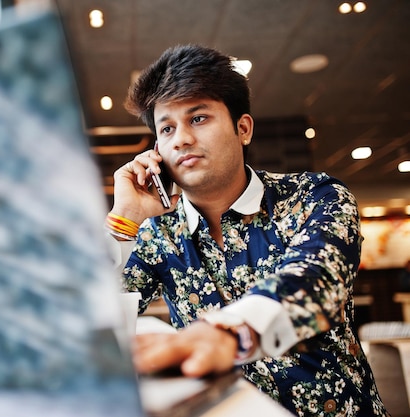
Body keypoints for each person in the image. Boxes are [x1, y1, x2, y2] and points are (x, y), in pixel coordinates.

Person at [104, 44, 388, 416]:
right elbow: (89, 316)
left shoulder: (314, 196)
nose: (182, 139)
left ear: (243, 128)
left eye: (199, 118)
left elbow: (319, 280)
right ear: (157, 149)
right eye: (167, 128)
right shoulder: (158, 234)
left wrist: (224, 333)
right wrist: (124, 220)